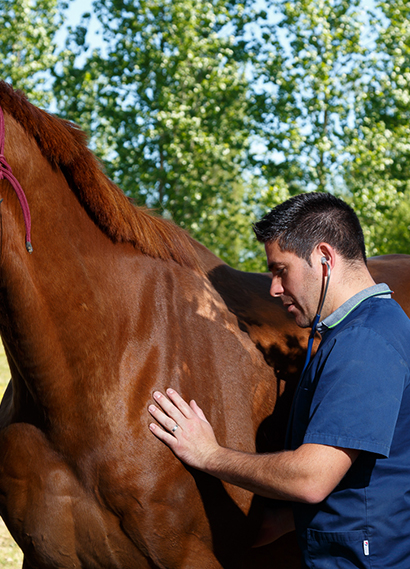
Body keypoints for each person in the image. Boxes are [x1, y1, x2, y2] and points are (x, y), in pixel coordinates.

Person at [148, 192, 410, 568]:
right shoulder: (370, 327)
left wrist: (208, 453)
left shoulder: (364, 342)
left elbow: (311, 479)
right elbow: (381, 471)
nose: (273, 288)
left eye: (280, 270)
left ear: (324, 258)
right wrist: (289, 520)